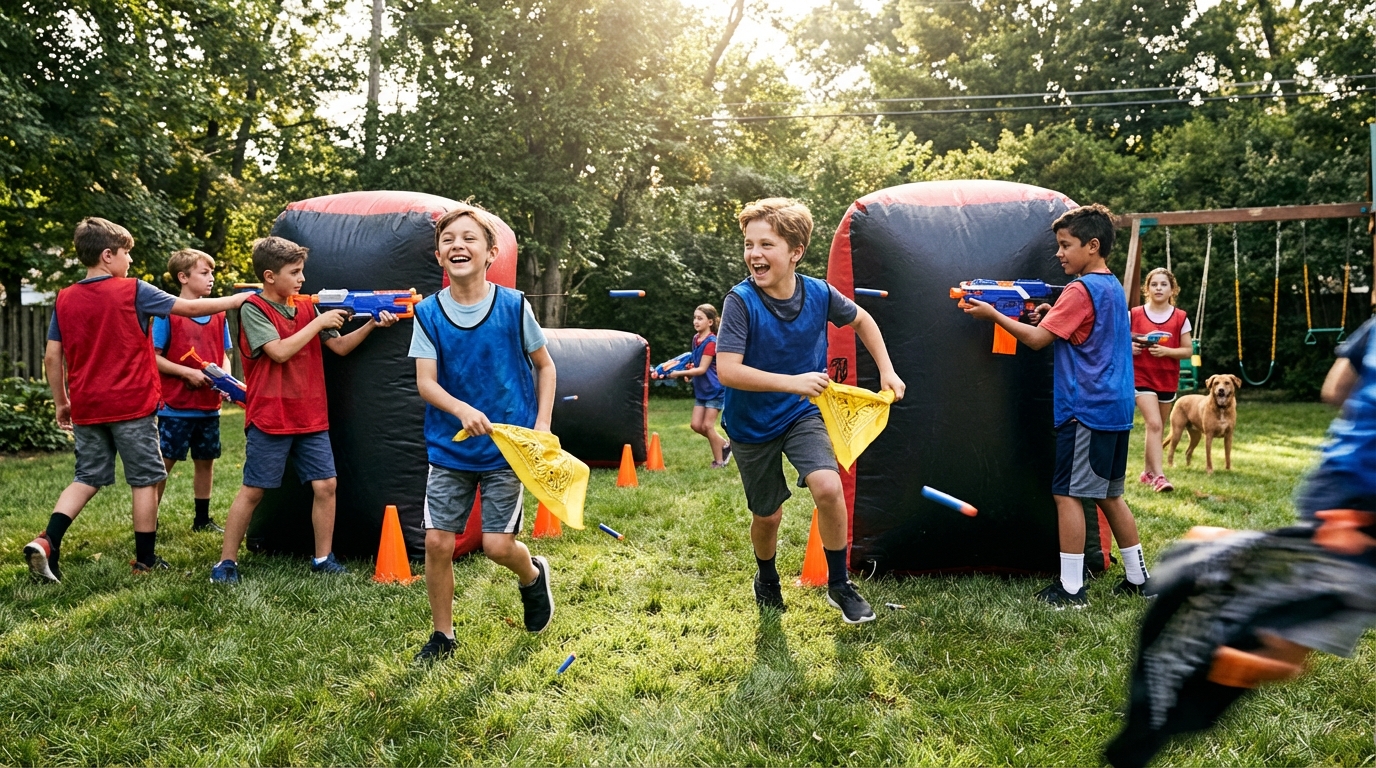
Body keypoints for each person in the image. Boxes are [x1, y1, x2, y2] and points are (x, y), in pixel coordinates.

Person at [23, 218, 249, 583]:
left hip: (87, 406)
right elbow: (189, 308)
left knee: (86, 478)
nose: (130, 260)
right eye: (126, 253)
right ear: (107, 255)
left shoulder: (64, 298)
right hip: (132, 405)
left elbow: (52, 356)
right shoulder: (133, 290)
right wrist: (241, 299)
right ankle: (145, 560)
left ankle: (48, 540)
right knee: (144, 480)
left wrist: (62, 401)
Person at [716, 198, 906, 624]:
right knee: (768, 516)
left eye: (766, 244)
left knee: (828, 487)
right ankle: (767, 577)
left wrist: (887, 370)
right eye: (749, 244)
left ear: (795, 252)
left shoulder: (819, 293)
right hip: (751, 424)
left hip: (802, 413)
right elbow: (727, 370)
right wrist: (793, 382)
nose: (754, 254)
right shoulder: (740, 302)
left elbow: (863, 320)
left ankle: (839, 584)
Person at [963, 203, 1149, 606]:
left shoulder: (1079, 290)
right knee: (1109, 495)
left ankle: (1071, 588)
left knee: (1067, 494)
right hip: (1115, 408)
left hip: (1086, 409)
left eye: (1066, 245)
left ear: (1092, 246)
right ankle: (1139, 579)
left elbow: (1036, 340)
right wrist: (1053, 314)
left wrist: (993, 314)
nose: (1059, 253)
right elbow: (1084, 330)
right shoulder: (1110, 287)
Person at [410, 205, 558, 662]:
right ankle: (443, 635)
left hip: (506, 448)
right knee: (438, 542)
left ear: (491, 253)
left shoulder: (513, 307)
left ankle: (532, 575)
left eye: (469, 238)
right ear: (439, 256)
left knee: (497, 546)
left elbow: (545, 367)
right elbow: (426, 383)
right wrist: (461, 410)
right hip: (449, 448)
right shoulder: (427, 313)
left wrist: (541, 426)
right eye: (448, 239)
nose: (458, 245)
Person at [210, 236, 397, 584]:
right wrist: (318, 323)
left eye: (301, 271)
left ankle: (323, 558)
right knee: (254, 490)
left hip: (310, 416)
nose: (302, 279)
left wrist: (373, 323)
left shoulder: (307, 308)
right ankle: (225, 563)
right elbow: (279, 352)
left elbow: (340, 347)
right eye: (294, 272)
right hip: (271, 417)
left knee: (326, 486)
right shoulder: (254, 308)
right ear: (269, 276)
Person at [152, 249, 234, 532]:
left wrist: (225, 379)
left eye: (212, 273)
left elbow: (224, 355)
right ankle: (149, 519)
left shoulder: (218, 314)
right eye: (204, 273)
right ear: (183, 277)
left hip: (209, 407)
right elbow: (153, 357)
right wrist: (186, 372)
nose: (211, 278)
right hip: (175, 407)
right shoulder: (167, 313)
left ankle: (202, 520)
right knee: (164, 464)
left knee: (205, 462)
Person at [1129, 267, 1193, 492]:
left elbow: (1188, 351)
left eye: (1163, 284)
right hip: (1140, 376)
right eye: (1154, 284)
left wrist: (1166, 352)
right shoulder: (1134, 314)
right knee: (1154, 424)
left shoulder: (1180, 317)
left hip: (1166, 378)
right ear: (1147, 289)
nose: (1158, 288)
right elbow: (1116, 340)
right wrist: (1130, 347)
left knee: (1157, 427)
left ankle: (1147, 472)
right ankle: (1159, 477)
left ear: (1172, 289)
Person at [667, 304, 731, 467]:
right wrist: (688, 373)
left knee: (707, 426)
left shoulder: (711, 342)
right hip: (702, 389)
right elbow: (696, 363)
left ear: (710, 322)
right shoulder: (696, 339)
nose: (696, 321)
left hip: (715, 389)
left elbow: (702, 369)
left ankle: (719, 461)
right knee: (696, 425)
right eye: (695, 318)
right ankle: (725, 445)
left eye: (700, 318)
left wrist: (678, 373)